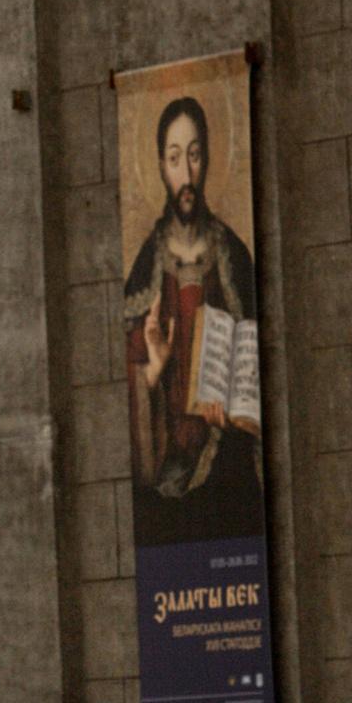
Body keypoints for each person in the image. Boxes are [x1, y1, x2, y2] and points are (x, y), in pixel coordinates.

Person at [124, 93, 262, 547]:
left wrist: (238, 411)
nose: (186, 175)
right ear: (160, 166)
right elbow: (130, 394)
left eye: (195, 155)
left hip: (229, 463)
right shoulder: (147, 267)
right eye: (174, 158)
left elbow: (256, 362)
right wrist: (155, 370)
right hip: (170, 470)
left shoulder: (234, 256)